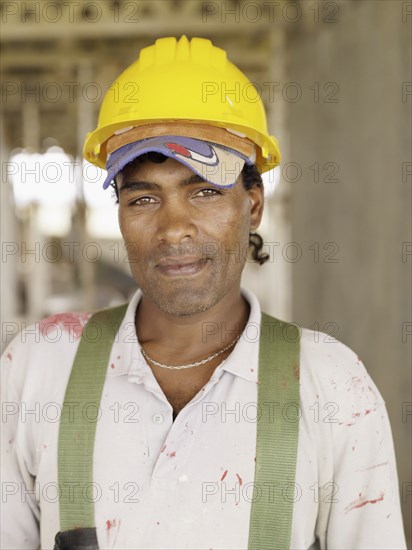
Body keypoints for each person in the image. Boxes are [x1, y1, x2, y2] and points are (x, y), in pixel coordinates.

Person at [1, 36, 406, 550]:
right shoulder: (38, 370)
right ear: (120, 214)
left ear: (253, 204)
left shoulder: (333, 388)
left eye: (205, 192)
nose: (174, 229)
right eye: (144, 197)